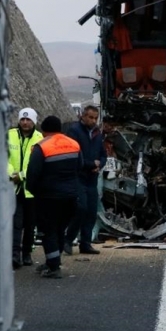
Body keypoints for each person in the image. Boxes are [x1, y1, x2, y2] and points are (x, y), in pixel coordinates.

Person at [25, 115, 82, 278]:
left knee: (47, 230)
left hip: (48, 197)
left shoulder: (41, 147)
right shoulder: (74, 144)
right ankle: (52, 261)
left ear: (43, 131)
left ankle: (54, 268)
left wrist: (34, 191)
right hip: (71, 196)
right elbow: (80, 167)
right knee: (59, 229)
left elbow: (32, 174)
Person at [63, 104, 106, 255]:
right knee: (81, 208)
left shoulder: (97, 134)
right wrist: (90, 165)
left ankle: (85, 243)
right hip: (78, 177)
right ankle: (68, 240)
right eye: (90, 117)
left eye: (95, 118)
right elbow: (74, 154)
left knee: (91, 211)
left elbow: (103, 154)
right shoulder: (74, 131)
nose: (93, 121)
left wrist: (100, 164)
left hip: (92, 178)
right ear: (83, 116)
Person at [7, 107, 43, 268]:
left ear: (34, 121)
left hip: (31, 188)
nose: (25, 122)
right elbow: (3, 156)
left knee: (30, 224)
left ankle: (26, 253)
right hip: (13, 188)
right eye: (23, 119)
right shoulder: (10, 135)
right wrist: (11, 174)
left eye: (28, 119)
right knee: (16, 223)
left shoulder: (39, 138)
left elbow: (36, 163)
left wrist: (21, 175)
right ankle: (15, 256)